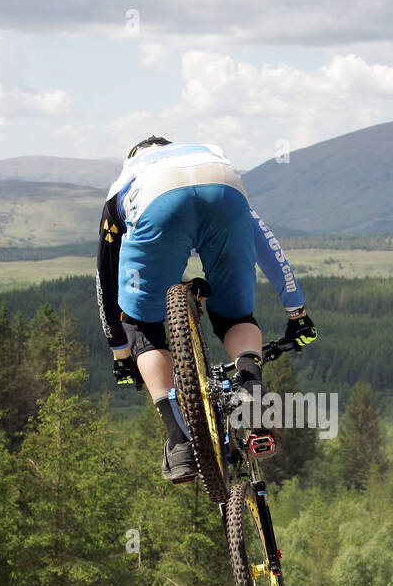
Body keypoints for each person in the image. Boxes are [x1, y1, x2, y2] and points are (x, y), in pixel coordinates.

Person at [96, 137, 318, 482]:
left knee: (142, 327)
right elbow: (267, 244)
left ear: (135, 156)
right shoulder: (203, 154)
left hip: (156, 199)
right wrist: (297, 312)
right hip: (224, 187)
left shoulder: (126, 179)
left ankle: (179, 441)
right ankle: (252, 389)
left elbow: (105, 276)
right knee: (235, 316)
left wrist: (120, 351)